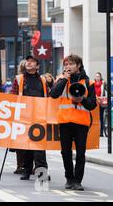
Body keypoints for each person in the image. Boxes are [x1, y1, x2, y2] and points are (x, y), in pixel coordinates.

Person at [50, 54, 97, 191]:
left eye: (71, 64)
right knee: (65, 152)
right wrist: (64, 79)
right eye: (66, 64)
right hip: (65, 121)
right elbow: (53, 94)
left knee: (81, 153)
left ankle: (78, 181)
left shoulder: (89, 83)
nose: (68, 66)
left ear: (78, 66)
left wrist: (81, 99)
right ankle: (69, 179)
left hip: (81, 123)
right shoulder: (61, 79)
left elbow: (92, 105)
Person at [11, 55, 50, 181]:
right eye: (28, 61)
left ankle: (41, 171)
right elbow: (13, 96)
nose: (29, 63)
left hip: (40, 115)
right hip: (24, 115)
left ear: (37, 66)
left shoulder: (43, 80)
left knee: (39, 146)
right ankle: (26, 170)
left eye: (32, 61)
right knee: (26, 145)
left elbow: (48, 96)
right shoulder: (19, 79)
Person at [94, 72, 107, 137]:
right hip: (95, 102)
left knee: (101, 118)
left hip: (101, 102)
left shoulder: (103, 83)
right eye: (96, 76)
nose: (97, 78)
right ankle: (95, 132)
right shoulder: (93, 83)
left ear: (100, 77)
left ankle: (101, 133)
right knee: (95, 118)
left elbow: (108, 90)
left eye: (98, 76)